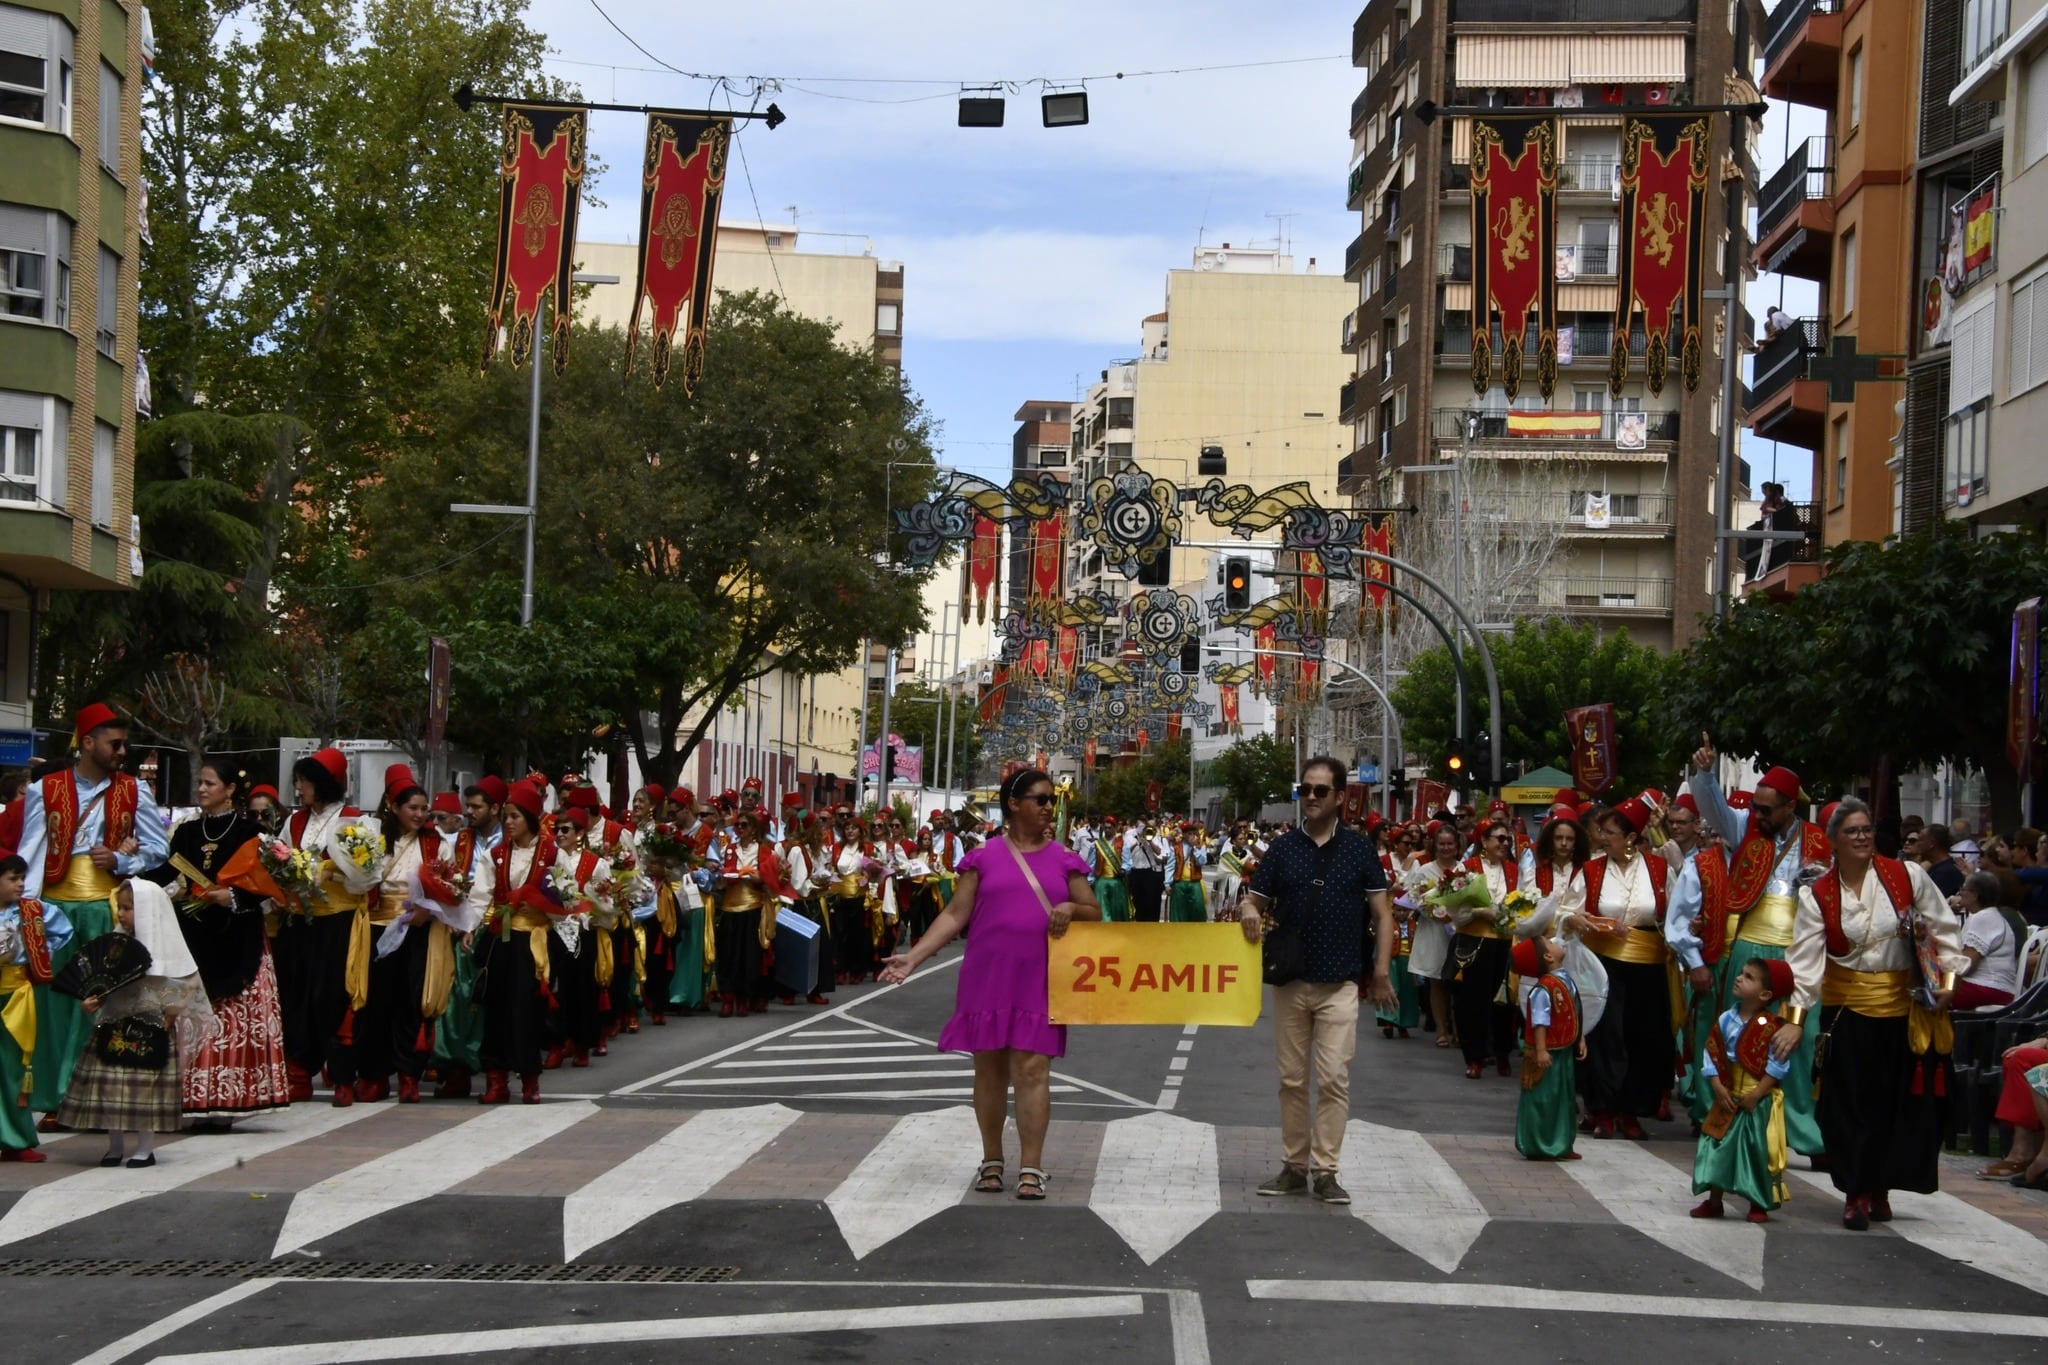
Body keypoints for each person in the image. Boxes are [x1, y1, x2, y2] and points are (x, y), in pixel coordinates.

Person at [881, 768, 1100, 1201]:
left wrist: (1071, 909)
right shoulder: (981, 858)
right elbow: (954, 915)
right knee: (989, 1070)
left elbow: (1095, 913)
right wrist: (913, 957)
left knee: (1033, 1070)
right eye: (1040, 799)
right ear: (1014, 804)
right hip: (988, 975)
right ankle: (992, 1159)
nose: (1048, 808)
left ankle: (1032, 1167)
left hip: (1041, 977)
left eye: (1051, 800)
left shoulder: (1064, 858)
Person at [1785, 796, 1965, 1230]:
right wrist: (1794, 1021)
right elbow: (1805, 964)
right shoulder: (1818, 895)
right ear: (1834, 841)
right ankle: (1855, 1190)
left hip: (1903, 1011)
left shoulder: (1908, 875)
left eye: (1866, 829)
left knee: (1894, 1104)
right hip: (1846, 1014)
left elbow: (1943, 928)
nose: (1863, 837)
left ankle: (1879, 1186)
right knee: (1847, 1107)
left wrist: (1948, 984)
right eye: (1852, 831)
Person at [1236, 756, 1396, 1205]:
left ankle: (1326, 1171)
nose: (1310, 797)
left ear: (1341, 797)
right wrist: (1249, 914)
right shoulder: (1283, 849)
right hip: (1290, 982)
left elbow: (1383, 914)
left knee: (1332, 1079)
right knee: (1291, 1080)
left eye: (1320, 791)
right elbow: (1254, 901)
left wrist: (1380, 971)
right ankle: (1294, 1165)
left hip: (1340, 982)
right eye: (1304, 789)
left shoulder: (1360, 849)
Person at [16, 704, 168, 1120]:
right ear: (87, 742)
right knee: (56, 1003)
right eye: (114, 743)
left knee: (105, 1004)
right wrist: (27, 913)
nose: (122, 751)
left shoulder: (135, 790)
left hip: (106, 910)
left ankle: (97, 1096)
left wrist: (119, 863)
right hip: (56, 913)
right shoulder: (43, 791)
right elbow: (29, 854)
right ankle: (53, 1096)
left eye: (124, 744)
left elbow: (159, 850)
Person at [1685, 738, 1831, 1161]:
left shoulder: (1820, 842)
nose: (1758, 814)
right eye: (1757, 807)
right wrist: (1707, 775)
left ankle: (1803, 1129)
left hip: (1799, 953)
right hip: (1750, 947)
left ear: (1791, 806)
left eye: (1767, 809)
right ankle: (1729, 1113)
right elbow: (1713, 808)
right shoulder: (1744, 830)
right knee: (1741, 1034)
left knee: (1796, 1041)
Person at [158, 761, 289, 1126]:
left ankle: (229, 1100)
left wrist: (230, 897)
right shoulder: (186, 832)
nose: (201, 789)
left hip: (238, 937)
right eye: (199, 782)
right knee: (192, 1015)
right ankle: (193, 1098)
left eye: (209, 783)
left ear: (229, 789)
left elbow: (268, 889)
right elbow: (171, 874)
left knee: (232, 1017)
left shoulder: (251, 832)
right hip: (194, 935)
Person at [57, 879, 214, 1167]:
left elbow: (189, 981)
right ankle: (114, 1146)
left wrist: (172, 1010)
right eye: (120, 907)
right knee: (108, 1088)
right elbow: (101, 985)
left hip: (151, 1028)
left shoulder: (168, 947)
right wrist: (92, 1002)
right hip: (113, 1025)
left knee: (144, 1092)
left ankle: (145, 1147)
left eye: (128, 908)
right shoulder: (115, 945)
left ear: (148, 911)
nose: (122, 914)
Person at [272, 747, 385, 1107]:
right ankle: (299, 1073)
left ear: (324, 784)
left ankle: (342, 1077)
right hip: (301, 920)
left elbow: (367, 879)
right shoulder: (294, 822)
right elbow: (281, 858)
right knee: (297, 995)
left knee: (334, 997)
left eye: (304, 781)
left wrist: (333, 872)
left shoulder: (354, 821)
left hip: (339, 921)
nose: (299, 787)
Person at [1573, 800, 1670, 1140]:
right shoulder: (1592, 870)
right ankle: (1602, 1109)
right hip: (1604, 963)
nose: (1602, 837)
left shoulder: (1659, 869)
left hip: (1648, 964)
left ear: (1630, 837)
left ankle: (1632, 1110)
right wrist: (1599, 925)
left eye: (1610, 832)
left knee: (1644, 1037)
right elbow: (1569, 914)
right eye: (1601, 831)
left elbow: (1674, 913)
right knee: (1605, 1035)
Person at [1690, 957, 1794, 1223]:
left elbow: (1777, 1065)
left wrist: (1757, 1094)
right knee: (1717, 1146)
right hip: (1726, 1095)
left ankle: (1757, 1201)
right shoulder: (1727, 1018)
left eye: (1749, 977)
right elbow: (1711, 1053)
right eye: (1741, 973)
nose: (1739, 978)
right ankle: (1714, 1200)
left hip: (1755, 1101)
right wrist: (1716, 1086)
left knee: (1756, 1151)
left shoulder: (1773, 1028)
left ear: (1766, 994)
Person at [478, 780, 560, 1105]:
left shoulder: (552, 853)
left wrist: (544, 906)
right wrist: (470, 927)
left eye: (515, 816)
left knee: (526, 1010)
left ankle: (529, 1079)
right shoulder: (496, 855)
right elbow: (479, 896)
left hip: (533, 943)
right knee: (495, 1008)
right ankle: (496, 1080)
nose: (509, 822)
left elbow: (566, 899)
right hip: (501, 939)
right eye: (507, 817)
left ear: (529, 817)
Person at [430, 777, 504, 1097]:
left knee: (488, 1004)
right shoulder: (459, 841)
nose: (469, 813)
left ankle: (491, 1071)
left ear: (496, 808)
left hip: (498, 930)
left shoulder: (510, 840)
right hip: (459, 929)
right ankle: (455, 1068)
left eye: (477, 807)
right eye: (468, 807)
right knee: (454, 1002)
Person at [0, 851, 70, 1161]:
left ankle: (16, 1139)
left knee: (15, 1070)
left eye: (21, 878)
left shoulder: (31, 910)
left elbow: (62, 931)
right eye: (12, 879)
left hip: (16, 995)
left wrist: (37, 953)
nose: (20, 885)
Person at [1449, 817, 1520, 1080]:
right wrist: (1481, 912)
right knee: (1472, 1000)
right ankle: (1474, 1057)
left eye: (1507, 839)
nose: (1504, 843)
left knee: (1504, 1000)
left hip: (1504, 941)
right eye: (1499, 838)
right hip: (1473, 941)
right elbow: (1453, 909)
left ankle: (1502, 1052)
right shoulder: (1467, 868)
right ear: (1484, 841)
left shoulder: (1513, 870)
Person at [1514, 935, 1584, 1162]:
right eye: (1551, 942)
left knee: (1564, 1098)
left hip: (1563, 1050)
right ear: (1548, 956)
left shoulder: (1564, 980)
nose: (1557, 942)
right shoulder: (1543, 989)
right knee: (1545, 1098)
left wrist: (1580, 1036)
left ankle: (1561, 1142)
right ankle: (1541, 1143)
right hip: (1548, 1054)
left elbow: (1574, 1011)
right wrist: (1541, 1050)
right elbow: (1540, 1022)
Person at [714, 809, 782, 1017]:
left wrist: (759, 878)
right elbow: (721, 874)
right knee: (727, 955)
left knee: (748, 956)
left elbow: (773, 880)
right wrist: (723, 877)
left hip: (752, 908)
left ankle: (743, 998)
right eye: (738, 825)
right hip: (730, 906)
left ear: (753, 829)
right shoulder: (729, 848)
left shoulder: (764, 851)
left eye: (745, 825)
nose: (740, 829)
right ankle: (728, 998)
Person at [1409, 822, 1462, 1050]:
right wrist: (1432, 909)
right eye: (1442, 844)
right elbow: (1414, 899)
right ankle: (1441, 1030)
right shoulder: (1424, 870)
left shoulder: (1464, 869)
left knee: (1459, 985)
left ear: (1457, 845)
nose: (1446, 847)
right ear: (1435, 845)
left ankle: (1459, 1030)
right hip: (1433, 931)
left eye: (1450, 843)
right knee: (1437, 982)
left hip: (1458, 931)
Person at [1953, 869, 2023, 1009]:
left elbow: (1967, 964)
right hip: (1994, 988)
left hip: (1988, 989)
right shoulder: (1991, 915)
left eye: (1963, 889)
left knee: (1928, 993)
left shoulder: (1982, 918)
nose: (1960, 893)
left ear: (1974, 895)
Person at [1122, 818, 1167, 923]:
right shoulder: (1129, 835)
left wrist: (1149, 842)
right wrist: (1137, 841)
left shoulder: (1151, 833)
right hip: (1134, 872)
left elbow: (1159, 851)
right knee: (1136, 901)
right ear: (1135, 826)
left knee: (1149, 902)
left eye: (1143, 826)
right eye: (1140, 826)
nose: (1142, 828)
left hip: (1148, 872)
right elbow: (1126, 852)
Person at [1166, 825, 1209, 923]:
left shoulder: (1200, 846)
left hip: (1195, 883)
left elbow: (1202, 862)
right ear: (1184, 835)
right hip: (1179, 883)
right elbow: (1170, 866)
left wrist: (1195, 848)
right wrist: (1167, 883)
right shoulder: (1176, 847)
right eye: (1189, 833)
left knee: (1198, 910)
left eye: (1194, 833)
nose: (1192, 836)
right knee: (1179, 912)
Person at [1919, 824, 1966, 898]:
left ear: (1931, 844)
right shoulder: (1935, 868)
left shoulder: (1947, 872)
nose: (1918, 844)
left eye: (1920, 840)